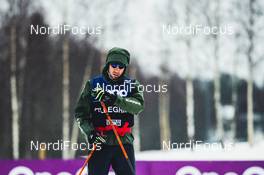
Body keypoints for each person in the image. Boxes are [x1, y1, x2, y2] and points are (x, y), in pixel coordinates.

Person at [74, 47, 144, 175]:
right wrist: (90, 134)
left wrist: (114, 99)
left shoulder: (132, 85)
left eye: (121, 66)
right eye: (114, 65)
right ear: (108, 65)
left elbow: (138, 106)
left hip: (123, 142)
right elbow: (80, 114)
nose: (117, 69)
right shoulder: (93, 84)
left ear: (125, 68)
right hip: (100, 142)